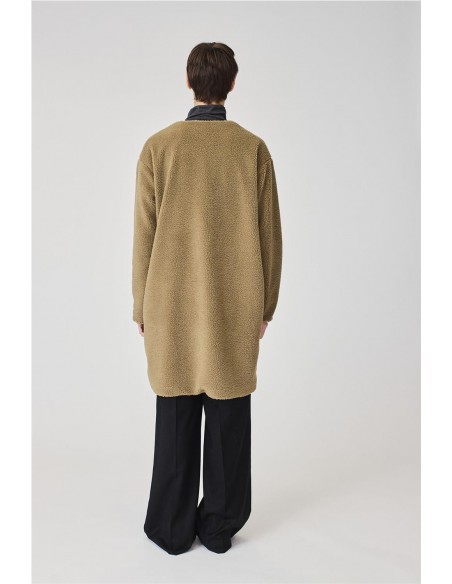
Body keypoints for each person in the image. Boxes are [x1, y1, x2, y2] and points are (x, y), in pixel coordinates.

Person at [132, 41, 283, 555]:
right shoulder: (252, 149)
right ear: (232, 84)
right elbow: (270, 237)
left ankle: (172, 529)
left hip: (169, 301)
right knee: (228, 414)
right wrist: (265, 305)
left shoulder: (159, 147)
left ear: (188, 80)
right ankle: (219, 526)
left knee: (176, 410)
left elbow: (144, 235)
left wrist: (141, 304)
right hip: (234, 302)